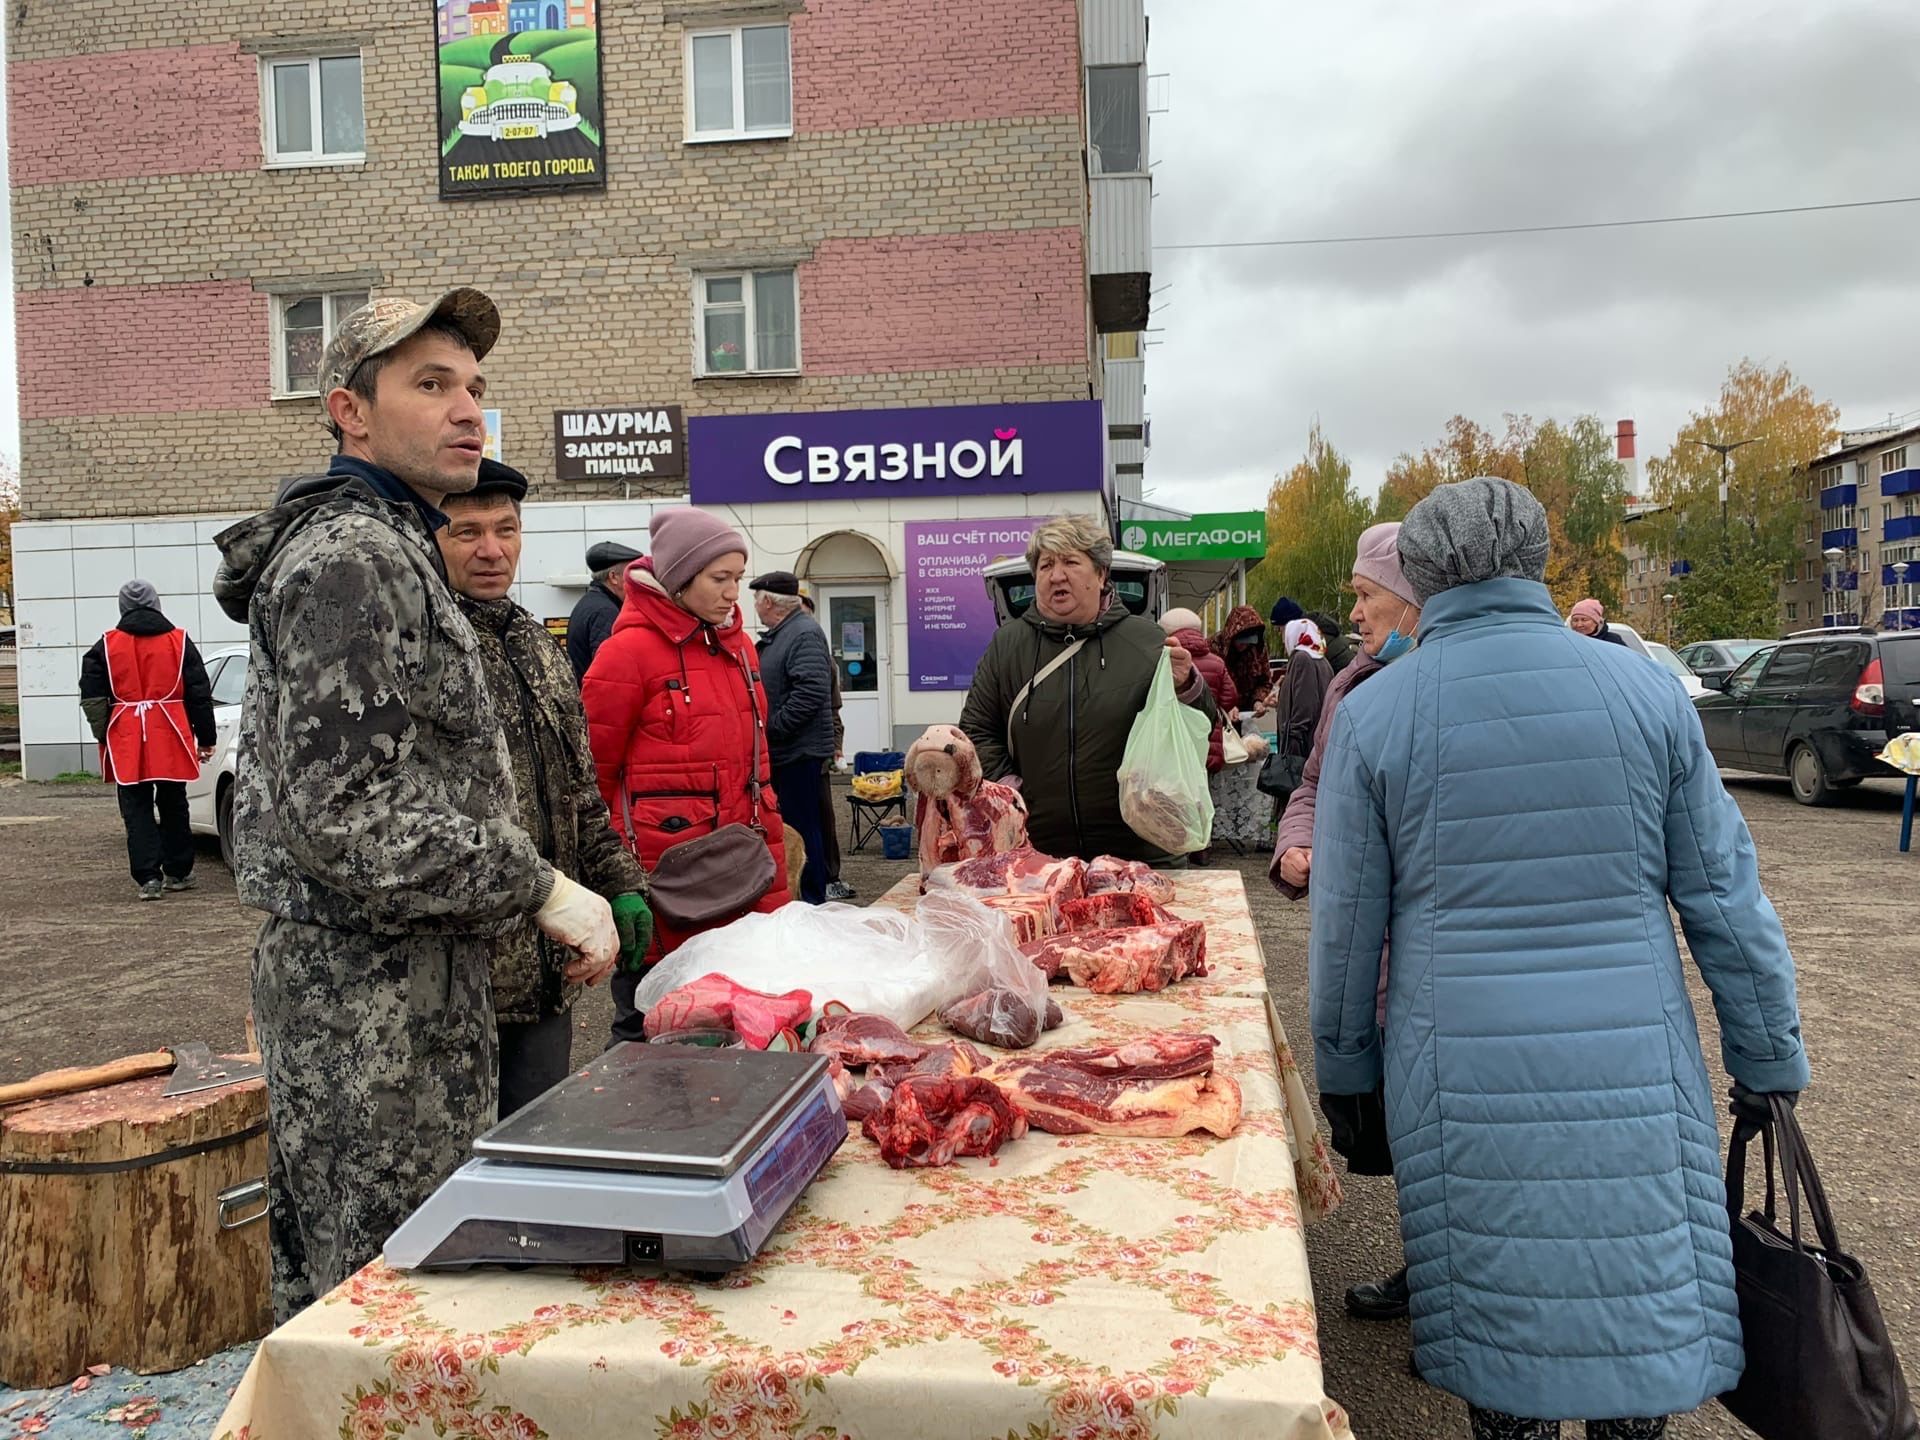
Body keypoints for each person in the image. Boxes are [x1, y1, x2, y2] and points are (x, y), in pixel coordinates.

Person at [1309, 477, 1808, 1438]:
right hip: (1635, 1069)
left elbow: (1345, 931)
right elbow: (1726, 898)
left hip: (1462, 1077)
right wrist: (1767, 1056)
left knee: (1506, 1341)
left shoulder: (1380, 714)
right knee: (1638, 1319)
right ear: (1538, 558)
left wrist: (1347, 1074)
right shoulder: (1644, 692)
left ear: (1419, 571)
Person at [212, 289, 619, 1322]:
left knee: (396, 1290)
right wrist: (539, 883)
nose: (468, 411)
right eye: (431, 385)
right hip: (370, 1004)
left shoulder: (395, 543)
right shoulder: (353, 556)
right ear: (350, 410)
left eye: (474, 387)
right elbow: (349, 814)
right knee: (388, 1298)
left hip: (416, 987)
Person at [437, 460, 653, 1116]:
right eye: (466, 531)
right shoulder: (425, 647)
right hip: (453, 985)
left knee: (534, 1151)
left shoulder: (536, 643)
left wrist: (621, 884)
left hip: (545, 976)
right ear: (429, 539)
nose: (491, 549)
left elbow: (580, 792)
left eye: (506, 529)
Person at [1270, 521, 1422, 1321]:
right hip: (1361, 941)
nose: (1354, 614)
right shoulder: (1350, 681)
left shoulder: (1436, 686)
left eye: (1367, 596)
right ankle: (1427, 1264)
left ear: (1414, 597)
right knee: (1398, 1121)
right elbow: (1312, 787)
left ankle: (1448, 1283)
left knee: (1438, 1126)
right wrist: (1298, 845)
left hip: (1423, 948)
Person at [583, 508, 789, 1042]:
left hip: (741, 880)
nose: (732, 594)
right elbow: (588, 781)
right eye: (719, 579)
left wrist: (776, 895)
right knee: (646, 1027)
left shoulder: (740, 649)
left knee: (734, 1027)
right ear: (679, 577)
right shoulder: (625, 654)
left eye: (738, 579)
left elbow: (757, 776)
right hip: (663, 887)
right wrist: (612, 886)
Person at [959, 514, 1217, 862]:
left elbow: (1199, 725)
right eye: (1046, 564)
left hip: (1140, 853)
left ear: (1100, 574)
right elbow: (976, 729)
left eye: (1070, 562)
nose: (1056, 575)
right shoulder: (1007, 646)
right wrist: (1010, 788)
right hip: (1037, 854)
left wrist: (1187, 685)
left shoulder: (1146, 641)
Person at [77, 580, 219, 900]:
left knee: (136, 808)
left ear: (122, 606)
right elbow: (199, 694)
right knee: (173, 803)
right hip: (170, 732)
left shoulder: (105, 646)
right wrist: (206, 737)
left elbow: (93, 698)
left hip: (126, 734)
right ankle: (178, 872)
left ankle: (148, 878)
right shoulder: (179, 642)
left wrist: (104, 734)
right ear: (156, 603)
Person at [750, 571, 836, 906]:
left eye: (756, 599)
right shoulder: (784, 633)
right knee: (796, 826)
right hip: (790, 749)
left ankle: (812, 901)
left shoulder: (802, 633)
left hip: (798, 751)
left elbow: (812, 691)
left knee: (803, 828)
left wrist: (773, 729)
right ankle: (802, 898)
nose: (755, 606)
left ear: (769, 601)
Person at [801, 592, 855, 901]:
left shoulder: (824, 660)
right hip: (793, 752)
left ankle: (830, 876)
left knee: (824, 818)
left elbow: (833, 709)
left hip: (816, 750)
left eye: (805, 612)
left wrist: (836, 747)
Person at [568, 540, 641, 682]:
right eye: (631, 574)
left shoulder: (591, 602)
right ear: (613, 577)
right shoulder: (605, 612)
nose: (635, 582)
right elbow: (611, 673)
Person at [1272, 619, 1333, 764]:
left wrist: (1291, 748)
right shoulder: (1321, 661)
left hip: (1301, 749)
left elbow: (1304, 706)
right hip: (1314, 744)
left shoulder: (1302, 659)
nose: (1283, 640)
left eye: (1284, 633)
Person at [1214, 604, 1272, 713]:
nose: (1244, 646)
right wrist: (1226, 706)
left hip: (1245, 713)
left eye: (1248, 643)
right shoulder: (1215, 647)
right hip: (1219, 714)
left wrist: (1257, 701)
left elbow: (1265, 681)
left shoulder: (1258, 650)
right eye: (1240, 642)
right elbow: (1208, 686)